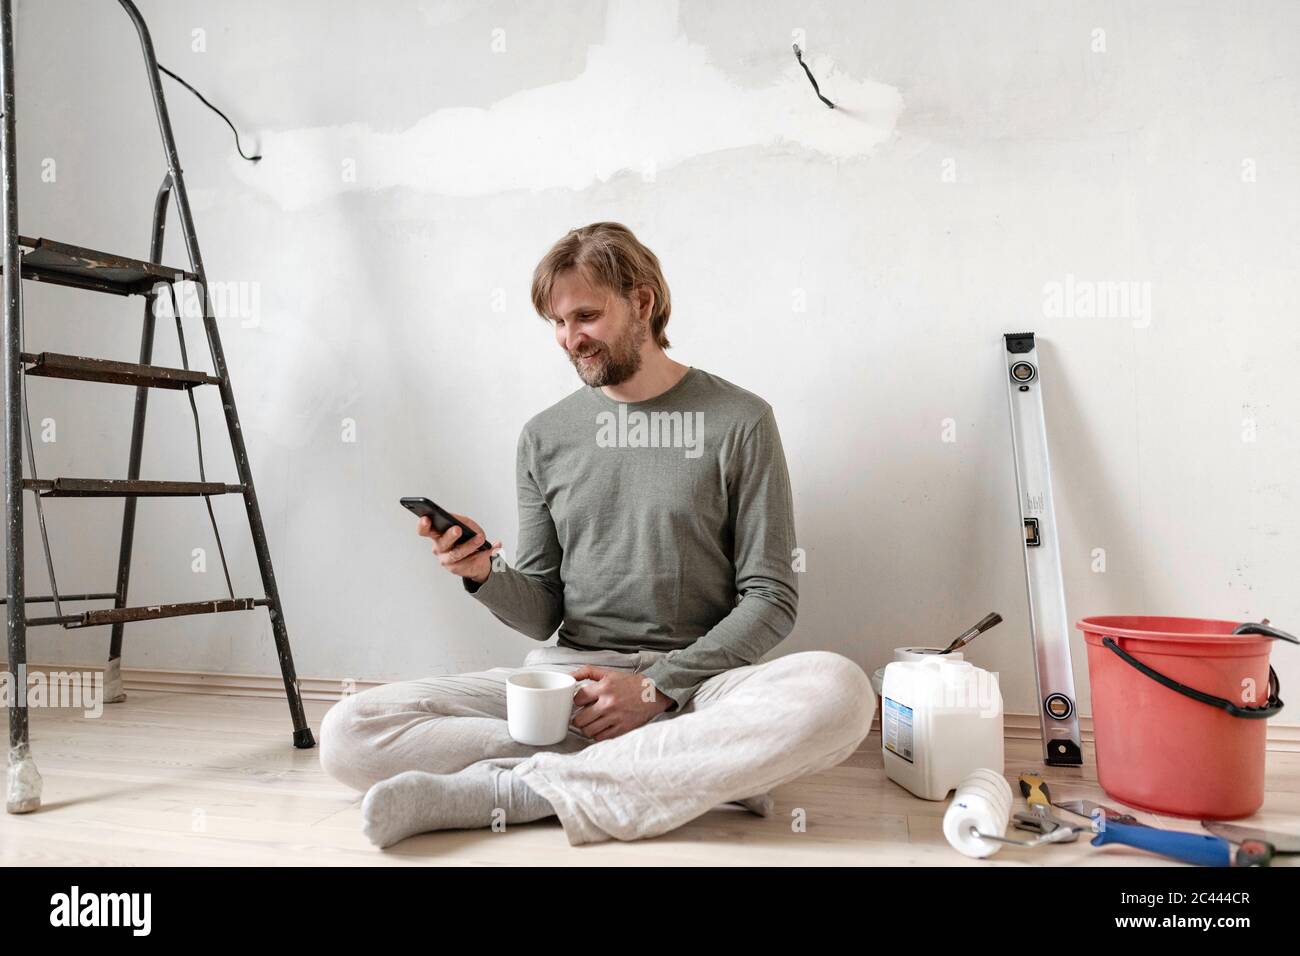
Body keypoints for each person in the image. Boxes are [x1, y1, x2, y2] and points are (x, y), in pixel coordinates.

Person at [319, 222, 875, 848]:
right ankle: (690, 767)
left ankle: (513, 790)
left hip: (697, 683)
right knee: (350, 730)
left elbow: (772, 599)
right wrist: (482, 572)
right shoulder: (545, 436)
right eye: (557, 323)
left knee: (841, 692)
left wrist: (654, 688)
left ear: (642, 303)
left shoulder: (741, 421)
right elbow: (541, 613)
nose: (570, 339)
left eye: (586, 316)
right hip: (570, 686)